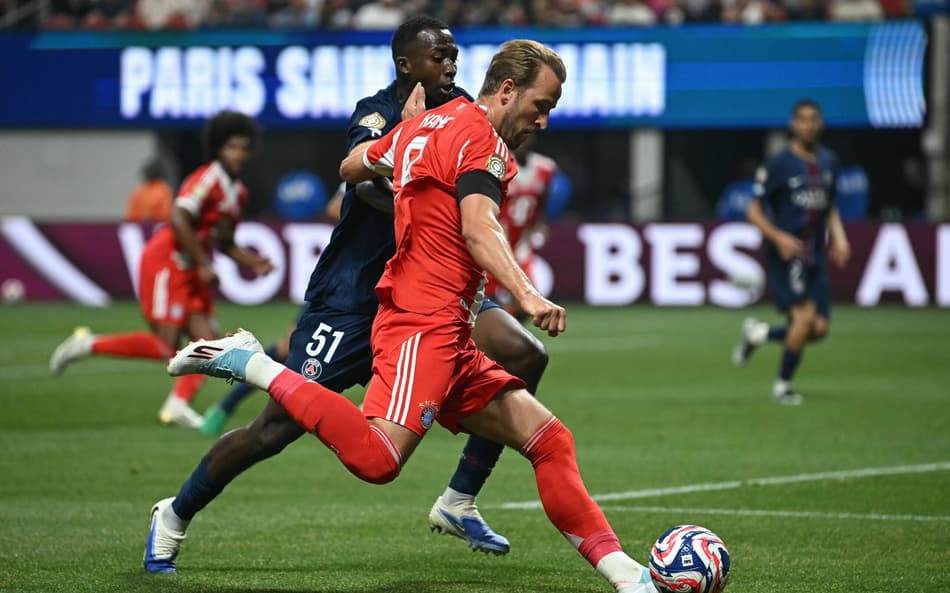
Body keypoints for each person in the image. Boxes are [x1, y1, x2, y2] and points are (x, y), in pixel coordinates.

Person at [159, 39, 657, 593]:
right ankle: (250, 363)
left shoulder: (427, 124)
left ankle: (626, 576)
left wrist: (407, 145)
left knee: (550, 439)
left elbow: (350, 165)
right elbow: (478, 226)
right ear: (508, 90)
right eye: (541, 105)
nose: (544, 120)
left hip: (447, 325)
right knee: (376, 461)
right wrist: (529, 293)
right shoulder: (483, 141)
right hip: (418, 325)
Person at [48, 111, 274, 427]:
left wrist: (253, 262)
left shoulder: (238, 193)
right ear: (218, 148)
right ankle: (87, 344)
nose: (238, 154)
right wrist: (203, 262)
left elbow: (223, 240)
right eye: (232, 147)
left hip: (192, 267)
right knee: (165, 345)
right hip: (167, 261)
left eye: (243, 148)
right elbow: (178, 217)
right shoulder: (206, 179)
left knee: (208, 339)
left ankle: (177, 404)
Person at [733, 99, 851, 405]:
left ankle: (758, 334)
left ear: (821, 123)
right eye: (803, 119)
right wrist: (779, 237)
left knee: (819, 329)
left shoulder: (829, 162)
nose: (809, 125)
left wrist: (839, 238)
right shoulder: (778, 165)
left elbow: (830, 206)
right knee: (804, 318)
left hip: (815, 255)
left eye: (814, 119)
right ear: (793, 124)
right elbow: (753, 211)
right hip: (786, 255)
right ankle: (782, 386)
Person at [485, 137, 557, 320]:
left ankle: (504, 327)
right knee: (485, 301)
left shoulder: (545, 168)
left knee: (529, 304)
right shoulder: (498, 163)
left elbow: (542, 201)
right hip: (497, 242)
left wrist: (539, 224)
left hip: (521, 245)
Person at [125, 158, 174, 223]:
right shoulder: (140, 190)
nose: (150, 172)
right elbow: (132, 214)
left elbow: (166, 213)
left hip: (158, 225)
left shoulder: (163, 189)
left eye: (152, 170)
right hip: (140, 226)